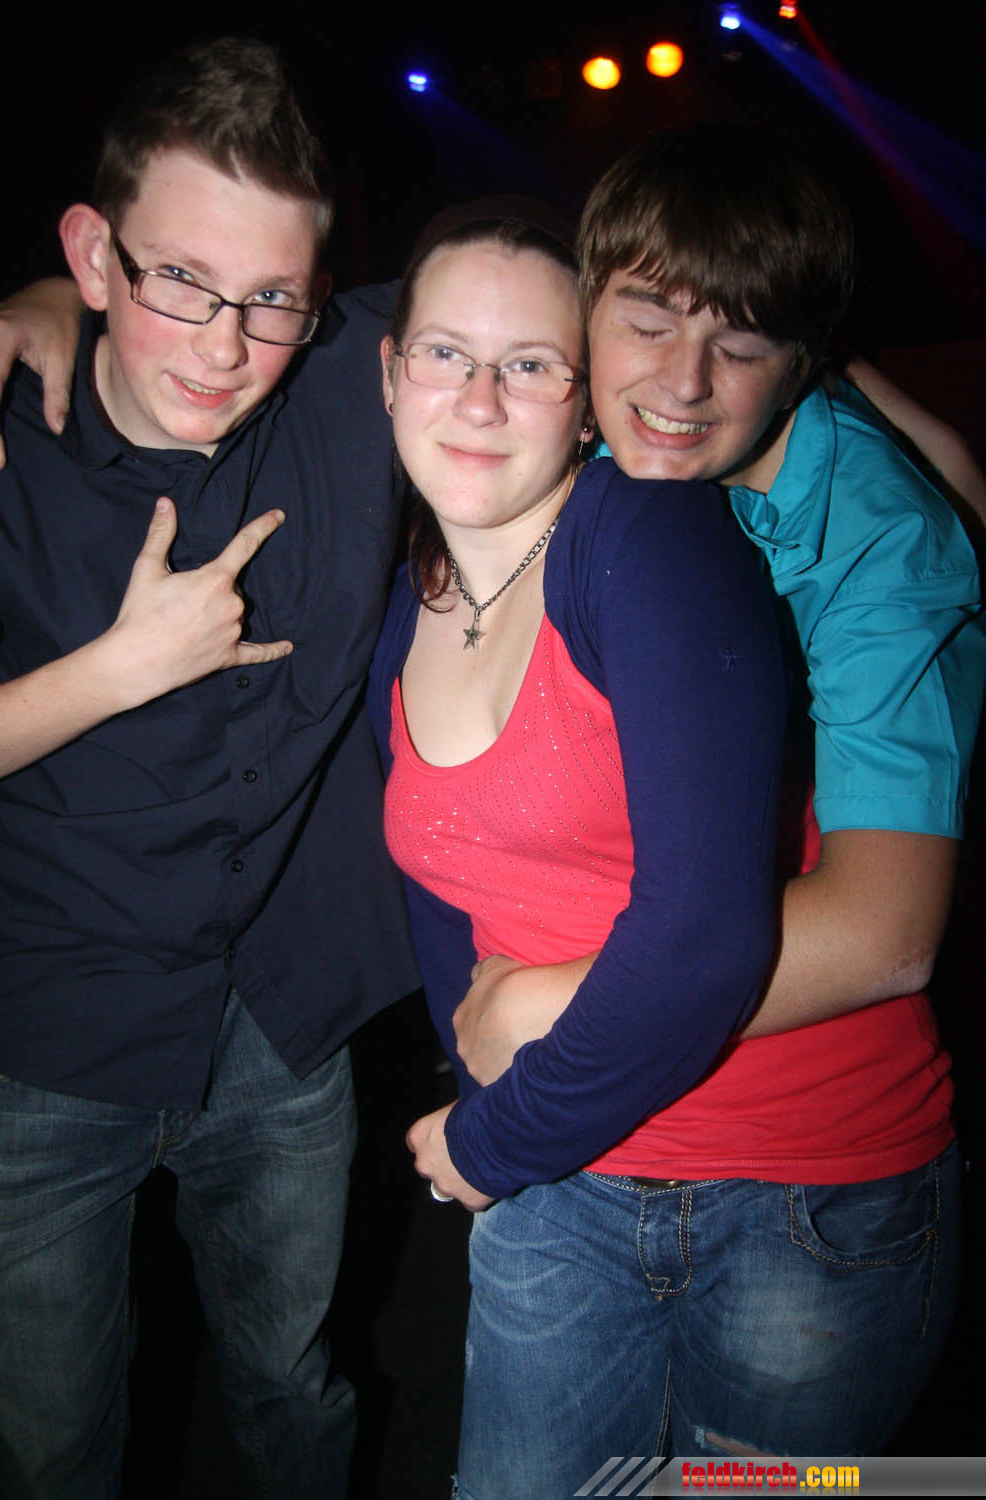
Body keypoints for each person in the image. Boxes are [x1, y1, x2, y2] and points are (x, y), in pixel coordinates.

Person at [396, 147, 981, 1487]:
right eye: (646, 321)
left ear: (801, 359)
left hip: (814, 1195)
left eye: (743, 345)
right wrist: (51, 308)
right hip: (591, 1165)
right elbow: (420, 320)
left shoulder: (882, 542)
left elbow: (890, 934)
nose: (678, 384)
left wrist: (542, 1002)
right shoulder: (578, 436)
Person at [0, 38, 415, 1500]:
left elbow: (649, 306)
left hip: (282, 1022)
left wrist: (842, 391)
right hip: (41, 1038)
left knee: (294, 1392)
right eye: (178, 279)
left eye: (271, 298)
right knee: (49, 1451)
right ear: (90, 256)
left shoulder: (356, 381)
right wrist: (117, 670)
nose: (224, 347)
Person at [368, 198, 789, 1498]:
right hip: (562, 1169)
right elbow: (442, 895)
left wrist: (489, 1142)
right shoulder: (410, 604)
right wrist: (485, 1093)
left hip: (777, 1188)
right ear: (388, 373)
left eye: (531, 364)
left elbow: (706, 938)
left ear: (587, 403)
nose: (478, 400)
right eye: (445, 353)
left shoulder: (646, 539)